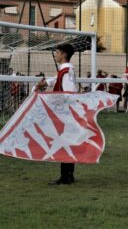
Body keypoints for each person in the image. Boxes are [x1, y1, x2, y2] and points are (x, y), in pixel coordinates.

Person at [36, 43, 77, 185]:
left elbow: (68, 92)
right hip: (66, 112)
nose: (56, 54)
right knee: (66, 142)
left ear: (64, 55)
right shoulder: (64, 71)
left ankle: (66, 176)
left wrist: (53, 100)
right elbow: (56, 80)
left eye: (58, 52)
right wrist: (46, 82)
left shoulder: (66, 71)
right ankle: (68, 175)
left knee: (63, 142)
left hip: (65, 113)